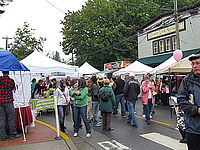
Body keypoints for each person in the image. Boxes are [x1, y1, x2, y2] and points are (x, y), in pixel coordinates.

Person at [177, 52, 200, 150]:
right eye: (193, 64)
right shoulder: (187, 81)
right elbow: (181, 100)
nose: (194, 66)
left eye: (197, 63)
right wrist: (197, 110)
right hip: (193, 128)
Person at [0, 71, 21, 141]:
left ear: (2, 72)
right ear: (8, 73)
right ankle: (13, 134)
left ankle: (2, 136)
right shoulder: (11, 80)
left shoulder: (0, 79)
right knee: (11, 118)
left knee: (1, 119)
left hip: (0, 101)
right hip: (9, 101)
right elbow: (14, 89)